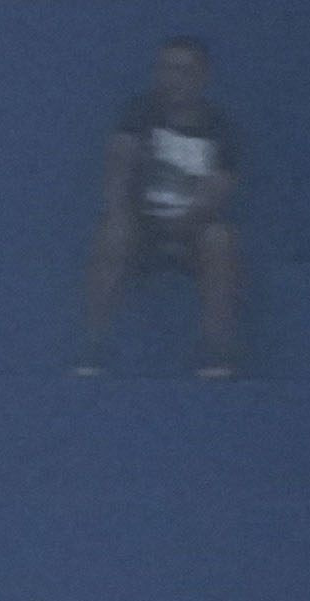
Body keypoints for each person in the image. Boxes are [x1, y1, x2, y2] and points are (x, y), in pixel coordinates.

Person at [78, 36, 241, 380]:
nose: (173, 78)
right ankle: (91, 347)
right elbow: (118, 169)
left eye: (183, 70)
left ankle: (215, 353)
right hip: (142, 225)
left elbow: (219, 188)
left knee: (221, 239)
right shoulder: (139, 113)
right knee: (112, 232)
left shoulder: (221, 127)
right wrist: (119, 212)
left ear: (202, 76)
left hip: (193, 228)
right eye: (166, 69)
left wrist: (189, 219)